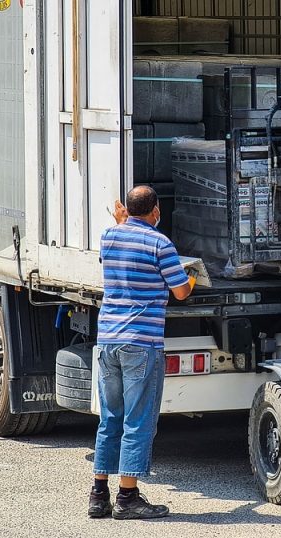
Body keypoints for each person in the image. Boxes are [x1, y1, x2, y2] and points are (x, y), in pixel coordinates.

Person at [88, 185, 195, 520]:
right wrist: (191, 277)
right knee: (137, 421)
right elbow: (180, 293)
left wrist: (122, 223)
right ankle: (128, 497)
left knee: (110, 419)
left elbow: (114, 249)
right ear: (156, 211)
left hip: (108, 341)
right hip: (141, 344)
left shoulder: (109, 236)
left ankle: (98, 494)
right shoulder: (160, 244)